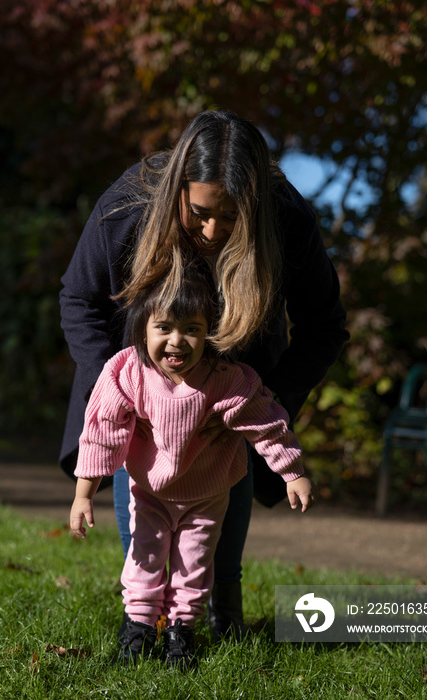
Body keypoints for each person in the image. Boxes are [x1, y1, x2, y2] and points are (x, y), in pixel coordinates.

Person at [59, 109, 349, 640]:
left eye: (234, 217)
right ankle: (145, 622)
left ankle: (223, 615)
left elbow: (324, 326)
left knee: (214, 530)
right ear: (177, 192)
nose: (214, 231)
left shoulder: (287, 218)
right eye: (200, 213)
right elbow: (79, 300)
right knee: (145, 533)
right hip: (139, 408)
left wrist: (257, 403)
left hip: (233, 398)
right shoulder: (129, 206)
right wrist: (124, 389)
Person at [69, 268, 315, 668]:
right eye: (163, 327)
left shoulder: (225, 379)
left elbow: (265, 422)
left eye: (192, 329)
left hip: (206, 496)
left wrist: (293, 471)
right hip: (149, 492)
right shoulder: (128, 372)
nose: (176, 341)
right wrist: (83, 493)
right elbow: (102, 431)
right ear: (143, 329)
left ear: (210, 334)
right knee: (144, 558)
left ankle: (180, 633)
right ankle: (139, 627)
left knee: (193, 564)